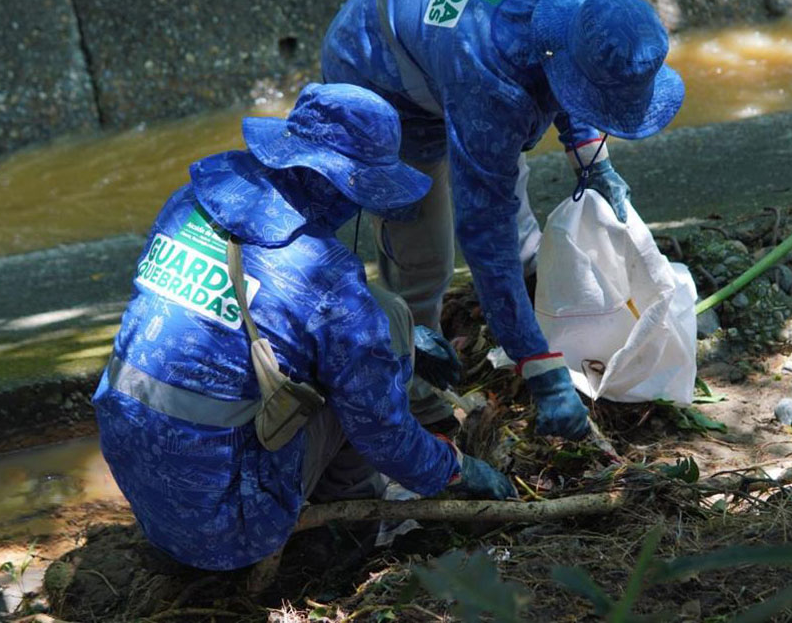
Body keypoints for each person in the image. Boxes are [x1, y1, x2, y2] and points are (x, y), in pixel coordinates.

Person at [92, 83, 516, 572]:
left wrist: (406, 349)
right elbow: (383, 436)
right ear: (339, 184)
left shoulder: (190, 201)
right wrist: (458, 470)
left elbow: (260, 316)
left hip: (140, 482)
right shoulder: (327, 280)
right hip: (226, 527)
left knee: (370, 326)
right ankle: (343, 537)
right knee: (361, 392)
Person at [321, 0, 685, 441]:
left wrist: (591, 158)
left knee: (509, 198)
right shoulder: (491, 82)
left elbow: (571, 71)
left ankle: (527, 304)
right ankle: (418, 394)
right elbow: (483, 227)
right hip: (379, 66)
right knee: (422, 249)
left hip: (438, 9)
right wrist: (538, 368)